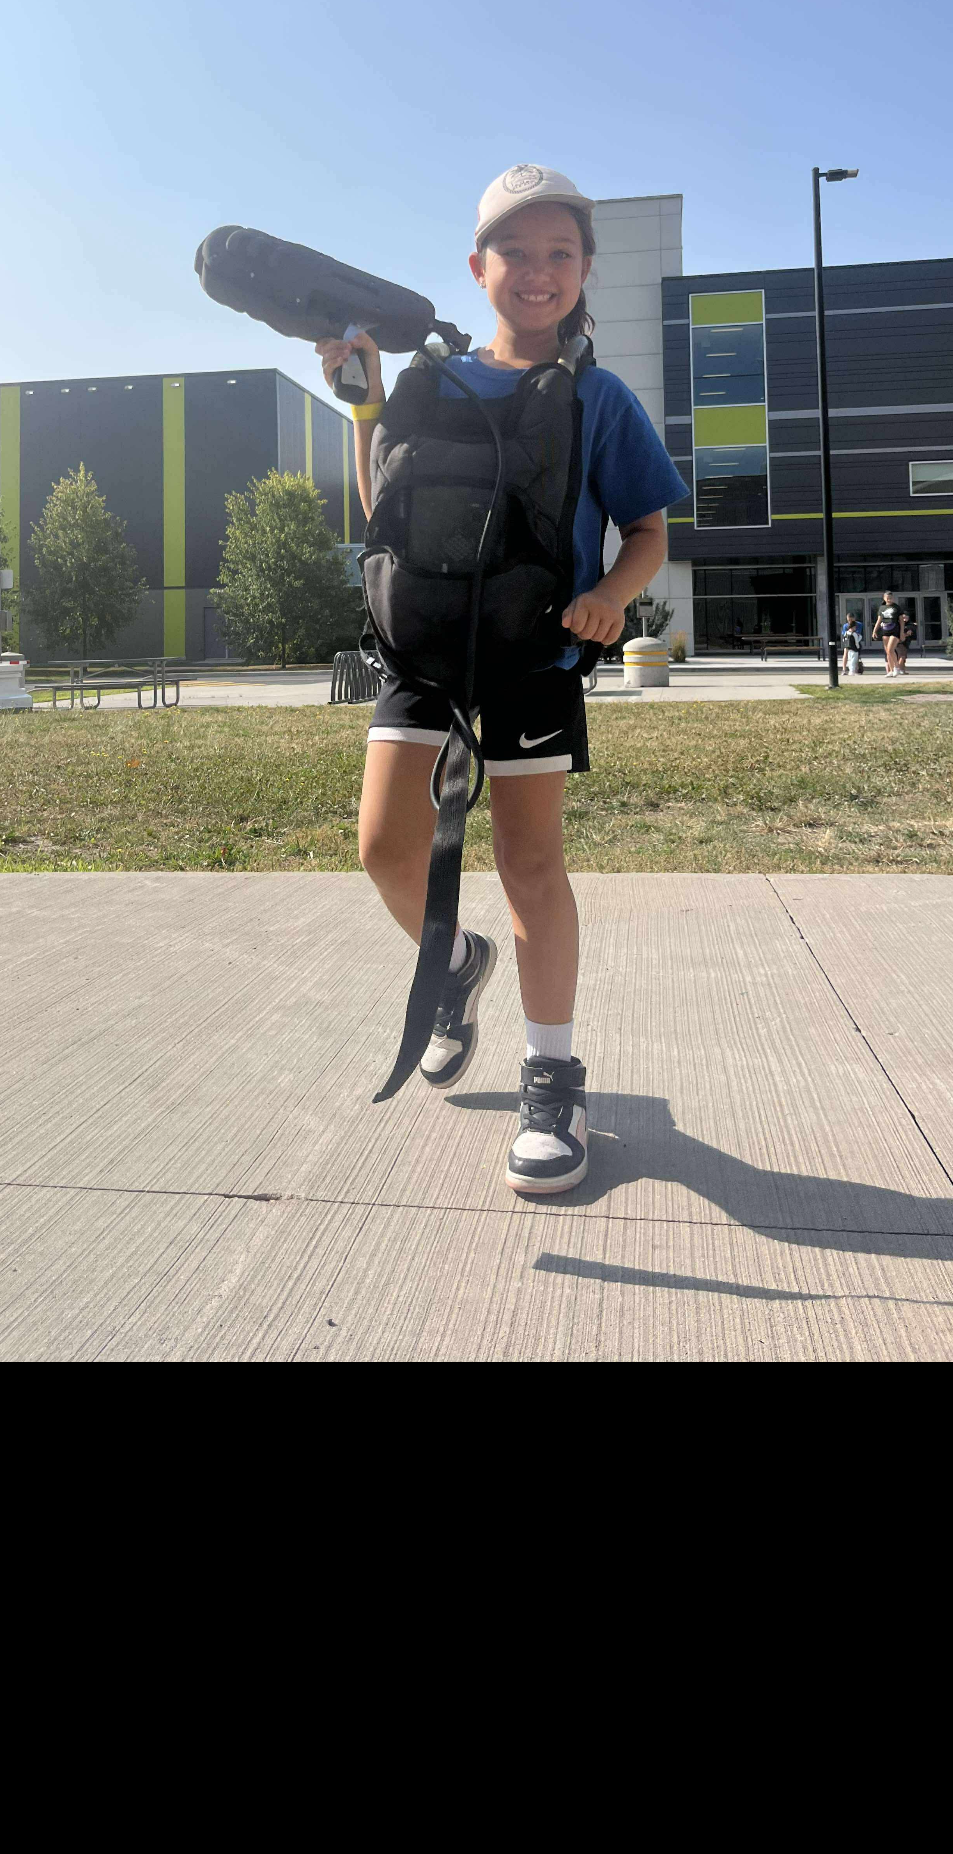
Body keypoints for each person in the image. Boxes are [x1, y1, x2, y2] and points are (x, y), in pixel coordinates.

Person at [316, 165, 688, 1199]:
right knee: (384, 848)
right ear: (476, 268)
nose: (537, 271)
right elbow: (384, 511)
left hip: (535, 651)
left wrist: (610, 594)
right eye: (514, 252)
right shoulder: (425, 382)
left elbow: (649, 531)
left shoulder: (599, 398)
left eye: (559, 253)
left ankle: (551, 1079)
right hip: (425, 652)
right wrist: (361, 405)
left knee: (531, 863)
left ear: (584, 270)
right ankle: (455, 966)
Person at [872, 590, 903, 675]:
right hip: (885, 630)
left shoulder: (896, 607)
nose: (889, 600)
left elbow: (901, 621)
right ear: (884, 598)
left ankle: (896, 667)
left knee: (890, 649)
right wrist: (874, 631)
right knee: (887, 652)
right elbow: (879, 620)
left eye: (891, 598)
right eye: (887, 598)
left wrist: (902, 633)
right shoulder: (882, 608)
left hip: (895, 630)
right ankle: (891, 670)